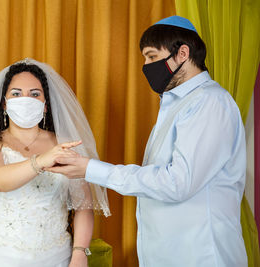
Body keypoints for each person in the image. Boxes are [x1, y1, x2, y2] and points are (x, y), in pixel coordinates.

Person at [47, 16, 248, 266]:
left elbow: (177, 182)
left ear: (183, 53)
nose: (146, 66)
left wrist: (91, 169)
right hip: (170, 254)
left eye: (152, 57)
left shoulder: (208, 102)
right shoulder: (176, 104)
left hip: (201, 254)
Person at [0, 58, 110, 267]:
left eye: (35, 94)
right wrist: (42, 161)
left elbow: (83, 204)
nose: (26, 99)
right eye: (16, 94)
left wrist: (79, 253)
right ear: (5, 104)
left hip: (58, 257)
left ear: (45, 106)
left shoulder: (64, 144)